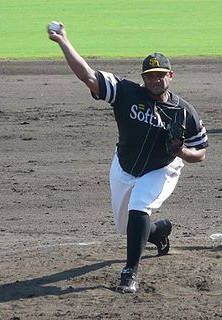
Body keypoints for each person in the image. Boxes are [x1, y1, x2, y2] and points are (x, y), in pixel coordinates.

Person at [47, 22, 208, 294]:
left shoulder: (184, 112)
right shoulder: (125, 92)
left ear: (171, 75)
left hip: (162, 168)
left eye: (160, 75)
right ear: (143, 77)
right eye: (150, 75)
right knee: (126, 226)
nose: (155, 80)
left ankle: (129, 272)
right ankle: (159, 232)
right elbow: (87, 75)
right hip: (124, 165)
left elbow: (200, 153)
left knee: (140, 206)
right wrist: (64, 41)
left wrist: (180, 152)